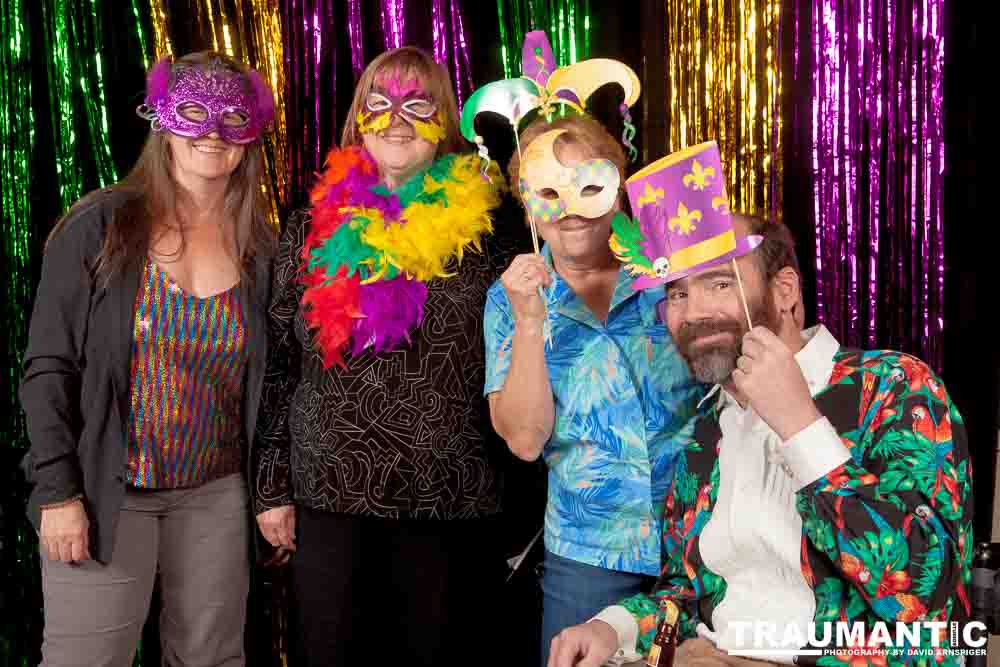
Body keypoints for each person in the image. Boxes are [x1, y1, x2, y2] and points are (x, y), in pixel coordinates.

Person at [549, 213, 972, 667]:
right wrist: (614, 628)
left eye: (720, 284)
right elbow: (693, 592)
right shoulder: (707, 428)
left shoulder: (894, 385)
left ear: (785, 290)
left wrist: (800, 425)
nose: (694, 312)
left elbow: (926, 592)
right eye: (677, 293)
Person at [253, 46, 514, 666]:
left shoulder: (491, 230)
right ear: (358, 119)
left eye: (417, 105)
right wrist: (271, 487)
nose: (396, 119)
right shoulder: (310, 225)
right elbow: (280, 363)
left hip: (450, 499)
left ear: (445, 122)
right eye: (380, 102)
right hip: (328, 494)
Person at [19, 51, 276, 666]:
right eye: (194, 112)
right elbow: (48, 367)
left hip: (216, 494)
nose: (212, 133)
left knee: (211, 661)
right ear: (162, 121)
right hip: (110, 490)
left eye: (231, 117)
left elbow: (276, 382)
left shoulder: (262, 247)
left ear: (251, 132)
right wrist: (57, 493)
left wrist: (271, 492)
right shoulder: (100, 226)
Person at [484, 113, 703, 666]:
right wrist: (530, 321)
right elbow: (526, 440)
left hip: (701, 542)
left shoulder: (671, 270)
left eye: (588, 184)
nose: (571, 208)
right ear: (527, 203)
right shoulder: (508, 299)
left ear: (617, 183)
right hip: (589, 558)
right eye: (549, 191)